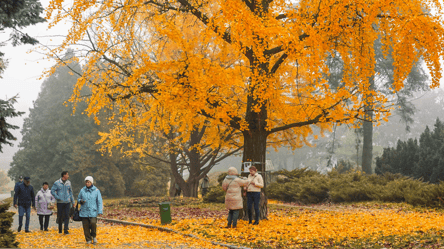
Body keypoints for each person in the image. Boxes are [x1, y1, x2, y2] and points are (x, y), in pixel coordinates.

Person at [78, 176, 103, 245]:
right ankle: (88, 239)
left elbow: (99, 201)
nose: (87, 183)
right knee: (85, 226)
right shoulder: (82, 190)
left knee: (93, 223)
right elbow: (78, 199)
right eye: (86, 182)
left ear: (91, 182)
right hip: (84, 211)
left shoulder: (96, 191)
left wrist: (100, 211)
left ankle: (94, 236)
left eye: (88, 182)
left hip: (93, 211)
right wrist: (81, 201)